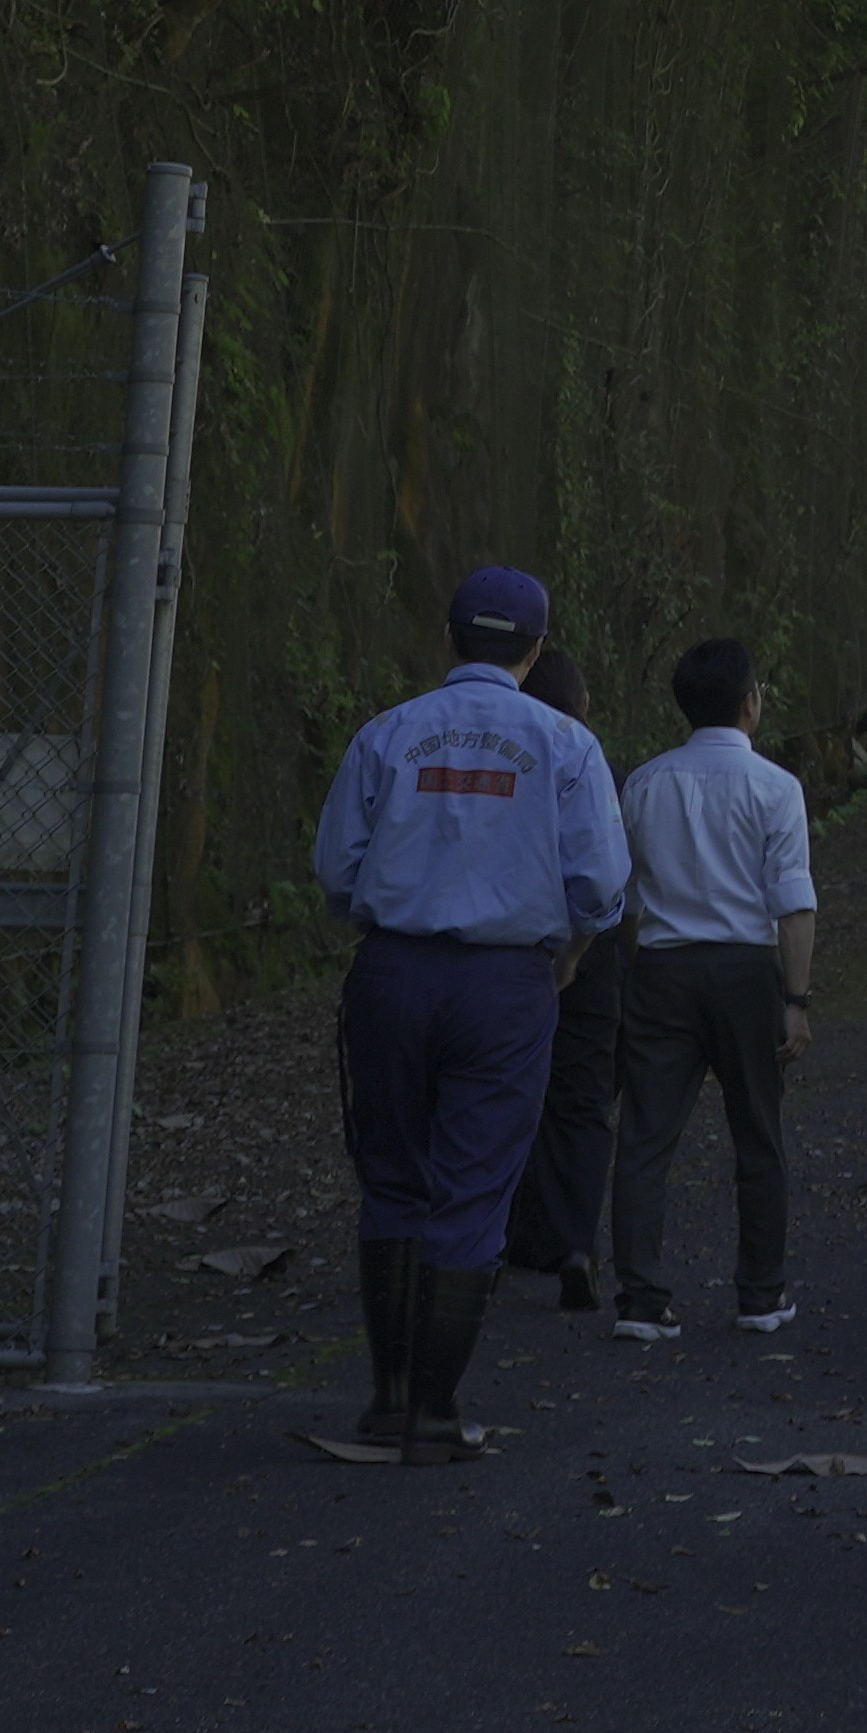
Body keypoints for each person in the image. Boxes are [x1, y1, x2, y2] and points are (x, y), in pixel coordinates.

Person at [307, 560, 628, 1465]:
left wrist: (388, 915)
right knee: (475, 1183)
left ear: (448, 638)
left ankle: (388, 1397)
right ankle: (436, 1411)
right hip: (504, 985)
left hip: (392, 973)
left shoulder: (387, 733)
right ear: (536, 649)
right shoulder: (567, 745)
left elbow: (336, 870)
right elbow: (601, 886)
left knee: (393, 1176)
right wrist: (568, 944)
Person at [608, 634, 816, 1340]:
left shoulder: (644, 783)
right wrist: (796, 999)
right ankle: (760, 1293)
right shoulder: (776, 788)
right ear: (751, 703)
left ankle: (640, 1300)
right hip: (745, 971)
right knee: (758, 1134)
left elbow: (627, 900)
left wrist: (641, 965)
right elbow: (793, 904)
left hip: (663, 967)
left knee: (644, 1138)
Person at [498, 644, 635, 1306]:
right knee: (583, 1100)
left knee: (505, 1093)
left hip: (510, 949)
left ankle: (500, 1238)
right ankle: (576, 1243)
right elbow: (611, 876)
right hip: (590, 949)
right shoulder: (597, 768)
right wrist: (587, 952)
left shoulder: (501, 766)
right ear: (583, 704)